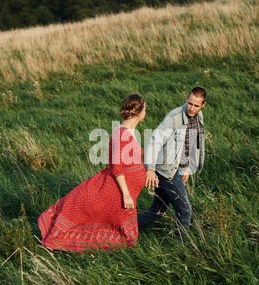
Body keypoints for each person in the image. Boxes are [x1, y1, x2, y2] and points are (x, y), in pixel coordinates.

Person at [38, 94, 147, 252]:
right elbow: (116, 166)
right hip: (118, 191)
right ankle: (58, 242)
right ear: (138, 112)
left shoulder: (129, 133)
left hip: (126, 190)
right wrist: (126, 194)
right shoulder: (121, 133)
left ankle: (119, 253)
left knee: (126, 234)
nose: (146, 112)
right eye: (145, 109)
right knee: (121, 233)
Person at [138, 87, 206, 238]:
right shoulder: (174, 118)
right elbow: (155, 141)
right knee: (185, 210)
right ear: (186, 98)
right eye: (189, 103)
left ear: (203, 105)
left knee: (157, 210)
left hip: (175, 167)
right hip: (165, 171)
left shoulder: (198, 116)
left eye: (196, 105)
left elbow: (191, 141)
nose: (191, 108)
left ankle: (128, 231)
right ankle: (181, 247)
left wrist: (186, 166)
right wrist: (150, 169)